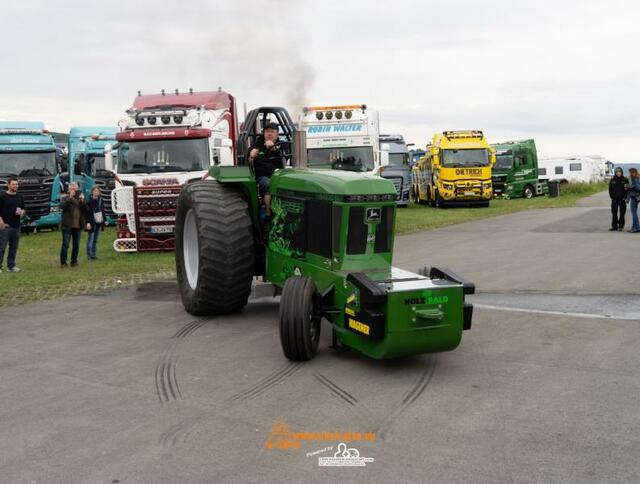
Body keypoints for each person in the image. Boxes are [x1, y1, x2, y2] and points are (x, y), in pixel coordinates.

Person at [249, 122, 284, 222]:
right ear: (263, 133)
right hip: (262, 176)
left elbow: (285, 156)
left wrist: (273, 148)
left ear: (277, 134)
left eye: (272, 132)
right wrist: (251, 156)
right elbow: (249, 162)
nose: (269, 134)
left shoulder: (282, 145)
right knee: (268, 184)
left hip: (279, 175)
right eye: (267, 131)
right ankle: (268, 215)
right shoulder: (256, 145)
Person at [0, 177, 26, 273]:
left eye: (16, 184)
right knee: (2, 247)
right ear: (8, 185)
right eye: (13, 184)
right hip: (5, 226)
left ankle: (11, 266)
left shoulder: (20, 196)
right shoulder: (2, 196)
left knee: (14, 247)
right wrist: (1, 222)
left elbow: (24, 209)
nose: (15, 186)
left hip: (16, 226)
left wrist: (22, 212)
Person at [60, 183, 86, 268]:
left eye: (75, 188)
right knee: (65, 244)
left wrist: (83, 201)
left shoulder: (80, 198)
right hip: (67, 225)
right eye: (72, 188)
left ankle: (74, 261)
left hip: (78, 225)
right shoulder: (65, 197)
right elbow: (62, 206)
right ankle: (63, 263)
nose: (74, 190)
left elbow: (86, 210)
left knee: (76, 245)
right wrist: (70, 198)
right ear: (69, 189)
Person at [85, 186, 105, 260]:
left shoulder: (100, 200)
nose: (96, 192)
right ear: (92, 191)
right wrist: (87, 222)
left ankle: (93, 255)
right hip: (91, 222)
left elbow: (103, 210)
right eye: (95, 190)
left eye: (98, 191)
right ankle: (89, 255)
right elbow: (87, 213)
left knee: (95, 240)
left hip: (99, 221)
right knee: (90, 239)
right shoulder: (89, 200)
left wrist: (105, 220)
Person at [608, 167, 628, 231]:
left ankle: (621, 226)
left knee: (622, 214)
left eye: (619, 172)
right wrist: (612, 197)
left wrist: (625, 197)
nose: (618, 173)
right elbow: (610, 189)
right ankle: (614, 226)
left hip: (622, 200)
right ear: (615, 173)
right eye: (617, 172)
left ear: (621, 172)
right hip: (614, 200)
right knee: (614, 213)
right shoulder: (612, 180)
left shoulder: (625, 180)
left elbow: (627, 190)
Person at [627, 167, 640, 233]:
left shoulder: (636, 178)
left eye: (630, 172)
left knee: (634, 213)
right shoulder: (636, 178)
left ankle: (637, 227)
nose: (630, 174)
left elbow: (638, 188)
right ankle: (634, 227)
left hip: (635, 197)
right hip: (634, 197)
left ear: (633, 172)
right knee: (633, 212)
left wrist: (630, 186)